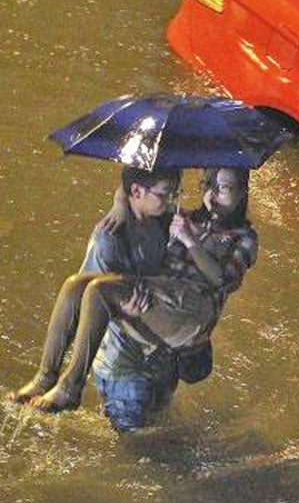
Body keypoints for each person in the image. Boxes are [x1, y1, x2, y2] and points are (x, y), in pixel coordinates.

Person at [10, 167, 258, 432]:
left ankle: (71, 386)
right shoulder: (183, 217)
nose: (212, 194)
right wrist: (120, 202)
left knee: (100, 291)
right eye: (208, 184)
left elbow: (223, 279)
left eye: (223, 188)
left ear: (242, 193)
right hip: (160, 296)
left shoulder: (244, 238)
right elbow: (142, 189)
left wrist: (189, 240)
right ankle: (45, 375)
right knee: (75, 285)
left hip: (192, 311)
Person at [7, 165, 180, 408]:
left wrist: (121, 197)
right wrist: (124, 312)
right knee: (76, 286)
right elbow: (93, 303)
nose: (171, 200)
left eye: (174, 193)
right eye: (165, 194)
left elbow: (137, 184)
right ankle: (50, 377)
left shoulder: (160, 221)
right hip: (122, 345)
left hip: (147, 331)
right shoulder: (110, 236)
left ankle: (55, 380)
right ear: (138, 192)